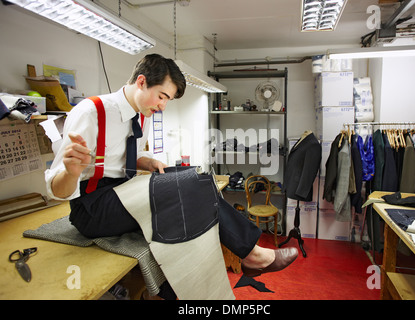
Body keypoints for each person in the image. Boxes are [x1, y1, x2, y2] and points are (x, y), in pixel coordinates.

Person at [45, 53, 298, 299]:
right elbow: (56, 190)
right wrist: (71, 171)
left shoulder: (142, 115)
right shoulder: (91, 112)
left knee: (196, 178)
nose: (162, 105)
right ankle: (252, 254)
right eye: (162, 96)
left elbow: (118, 158)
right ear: (141, 82)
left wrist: (148, 162)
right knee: (186, 188)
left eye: (168, 100)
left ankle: (180, 289)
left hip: (123, 192)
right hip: (92, 208)